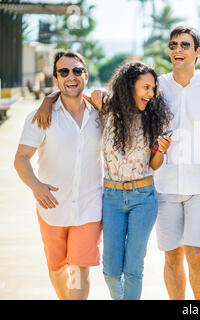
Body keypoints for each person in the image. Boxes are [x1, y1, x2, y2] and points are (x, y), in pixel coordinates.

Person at [32, 61, 173, 300]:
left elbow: (153, 164)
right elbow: (72, 90)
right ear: (130, 86)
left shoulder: (154, 117)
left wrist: (161, 150)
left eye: (153, 88)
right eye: (146, 87)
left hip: (143, 197)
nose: (150, 93)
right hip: (112, 198)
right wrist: (47, 101)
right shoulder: (104, 108)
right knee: (110, 270)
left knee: (133, 269)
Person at [14, 50, 102, 300]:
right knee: (57, 269)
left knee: (79, 269)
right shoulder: (41, 117)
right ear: (56, 79)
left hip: (90, 206)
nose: (71, 76)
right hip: (52, 208)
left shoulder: (101, 112)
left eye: (76, 71)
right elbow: (21, 158)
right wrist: (36, 186)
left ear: (85, 74)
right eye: (64, 72)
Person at [153, 25, 200, 300]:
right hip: (164, 184)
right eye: (173, 45)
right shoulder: (157, 86)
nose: (177, 50)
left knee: (196, 254)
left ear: (197, 51)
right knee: (171, 256)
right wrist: (51, 99)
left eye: (184, 45)